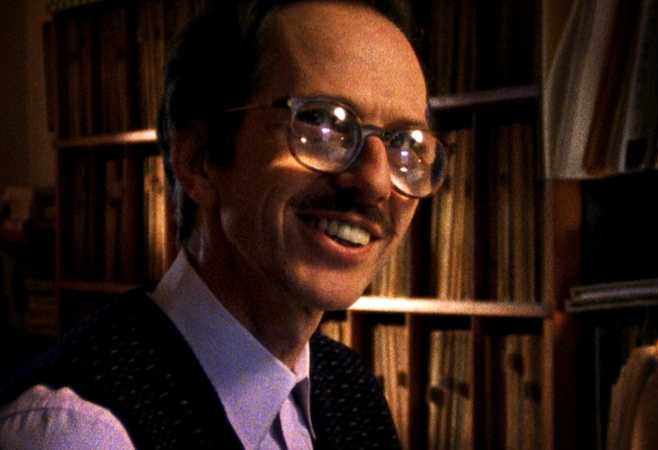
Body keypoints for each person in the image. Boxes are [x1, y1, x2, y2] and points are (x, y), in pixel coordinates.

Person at [0, 0, 446, 448]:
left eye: (405, 144)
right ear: (199, 160)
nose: (376, 182)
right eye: (321, 122)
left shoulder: (352, 388)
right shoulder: (77, 430)